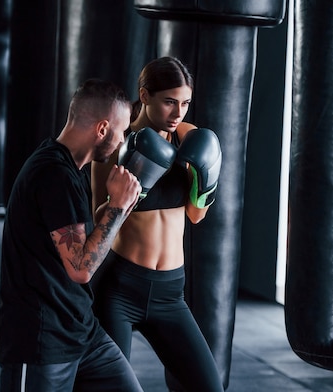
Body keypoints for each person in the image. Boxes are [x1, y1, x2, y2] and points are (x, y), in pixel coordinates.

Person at [0, 79, 145, 392]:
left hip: (82, 332)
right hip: (42, 343)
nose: (122, 142)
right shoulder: (53, 175)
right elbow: (80, 268)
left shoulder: (66, 168)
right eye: (122, 132)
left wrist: (120, 206)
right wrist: (117, 209)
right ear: (102, 129)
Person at [90, 56, 223, 392]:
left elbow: (196, 215)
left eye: (185, 103)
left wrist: (204, 181)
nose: (178, 113)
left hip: (170, 292)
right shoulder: (116, 145)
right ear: (145, 95)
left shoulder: (189, 137)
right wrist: (136, 187)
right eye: (169, 102)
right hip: (121, 289)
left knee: (209, 387)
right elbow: (98, 220)